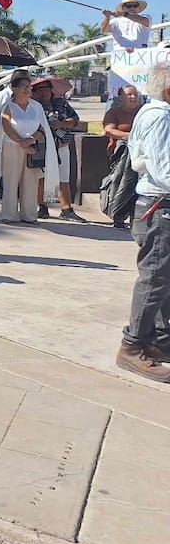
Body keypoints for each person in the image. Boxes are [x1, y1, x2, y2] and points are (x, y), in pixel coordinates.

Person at [115, 64, 170, 381]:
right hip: (159, 205)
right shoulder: (160, 117)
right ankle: (133, 346)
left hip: (156, 205)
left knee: (163, 277)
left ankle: (159, 339)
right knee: (154, 278)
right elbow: (164, 171)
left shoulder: (153, 114)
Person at [0, 74, 57, 224]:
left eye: (28, 87)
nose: (26, 90)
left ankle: (29, 215)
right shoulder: (8, 106)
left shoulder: (36, 106)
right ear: (13, 88)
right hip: (12, 146)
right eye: (22, 87)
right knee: (11, 181)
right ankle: (9, 215)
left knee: (31, 182)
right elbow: (6, 126)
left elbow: (42, 127)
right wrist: (21, 142)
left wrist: (30, 140)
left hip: (33, 147)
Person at [31, 78, 85, 222]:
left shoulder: (61, 103)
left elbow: (75, 120)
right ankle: (42, 207)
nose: (45, 92)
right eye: (41, 89)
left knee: (63, 178)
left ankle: (66, 209)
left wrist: (60, 124)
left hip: (61, 145)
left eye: (47, 89)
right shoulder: (32, 106)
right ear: (35, 92)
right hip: (42, 146)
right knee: (41, 177)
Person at [103, 86, 144, 229]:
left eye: (135, 94)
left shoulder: (145, 112)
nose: (133, 97)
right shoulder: (114, 112)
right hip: (121, 155)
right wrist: (131, 136)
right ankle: (117, 215)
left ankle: (135, 218)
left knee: (139, 186)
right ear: (121, 97)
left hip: (143, 154)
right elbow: (109, 131)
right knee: (121, 183)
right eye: (129, 95)